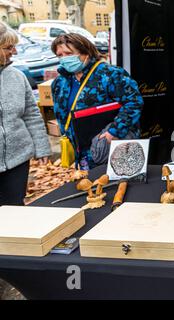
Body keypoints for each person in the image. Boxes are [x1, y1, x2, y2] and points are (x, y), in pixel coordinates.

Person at [51, 33, 143, 170]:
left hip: (114, 146)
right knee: (93, 189)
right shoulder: (59, 83)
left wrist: (114, 132)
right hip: (83, 153)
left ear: (86, 53)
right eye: (60, 55)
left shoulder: (110, 74)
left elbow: (133, 102)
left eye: (68, 53)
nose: (64, 58)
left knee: (123, 188)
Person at [0, 22, 51, 205]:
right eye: (8, 47)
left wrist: (42, 146)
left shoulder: (17, 76)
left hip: (18, 159)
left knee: (15, 209)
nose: (14, 51)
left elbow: (31, 114)